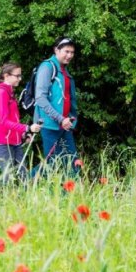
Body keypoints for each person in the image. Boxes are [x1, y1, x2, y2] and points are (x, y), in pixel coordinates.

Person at [32, 37, 80, 178]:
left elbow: (68, 100)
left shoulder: (64, 71)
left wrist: (71, 119)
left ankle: (72, 193)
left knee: (72, 161)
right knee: (52, 162)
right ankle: (24, 182)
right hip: (50, 125)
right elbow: (40, 98)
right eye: (66, 51)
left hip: (65, 126)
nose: (69, 55)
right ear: (56, 50)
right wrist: (60, 119)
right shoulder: (47, 67)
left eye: (72, 52)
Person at [0, 62, 41, 183]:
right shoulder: (1, 93)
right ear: (7, 76)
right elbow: (4, 121)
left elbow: (13, 119)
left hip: (14, 139)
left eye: (20, 75)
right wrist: (27, 128)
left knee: (23, 174)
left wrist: (23, 134)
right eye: (17, 76)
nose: (20, 78)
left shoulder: (9, 91)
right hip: (2, 141)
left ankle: (25, 200)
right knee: (7, 177)